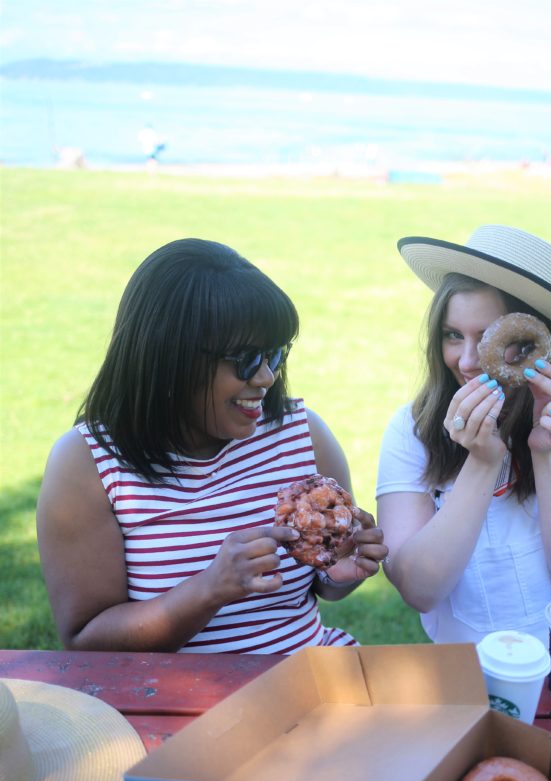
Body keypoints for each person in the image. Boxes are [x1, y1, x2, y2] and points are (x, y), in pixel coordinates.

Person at [37, 238, 387, 655]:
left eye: (274, 355)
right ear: (170, 356)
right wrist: (209, 590)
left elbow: (324, 586)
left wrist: (339, 572)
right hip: (176, 704)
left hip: (311, 682)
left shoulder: (302, 434)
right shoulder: (87, 466)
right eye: (244, 359)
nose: (265, 378)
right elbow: (86, 639)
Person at [376, 224, 551, 649]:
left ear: (540, 344)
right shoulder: (414, 428)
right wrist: (481, 465)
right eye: (452, 335)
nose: (465, 361)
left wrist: (549, 454)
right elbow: (418, 589)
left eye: (486, 339)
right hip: (466, 673)